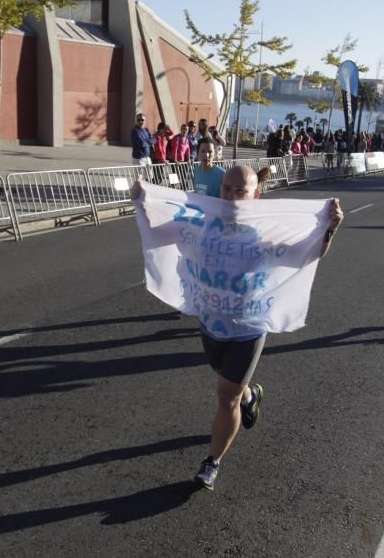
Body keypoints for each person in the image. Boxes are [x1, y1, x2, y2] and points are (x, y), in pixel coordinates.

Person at [130, 165, 343, 491]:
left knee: (224, 395)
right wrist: (144, 202)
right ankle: (250, 393)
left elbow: (307, 254)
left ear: (255, 195)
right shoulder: (201, 225)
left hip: (248, 328)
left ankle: (211, 463)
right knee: (226, 380)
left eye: (239, 191)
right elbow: (160, 233)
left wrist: (328, 230)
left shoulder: (266, 232)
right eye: (226, 188)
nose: (231, 196)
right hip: (210, 324)